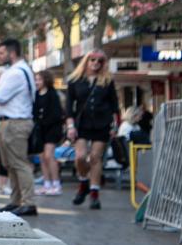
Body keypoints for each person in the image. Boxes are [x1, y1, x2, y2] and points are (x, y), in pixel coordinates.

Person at [66, 50, 119, 209]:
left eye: (100, 61)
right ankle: (83, 183)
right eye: (93, 60)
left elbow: (114, 106)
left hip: (102, 123)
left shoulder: (107, 81)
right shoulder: (75, 81)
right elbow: (69, 107)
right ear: (86, 61)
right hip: (82, 124)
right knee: (80, 157)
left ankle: (94, 194)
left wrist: (115, 125)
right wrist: (70, 126)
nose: (96, 63)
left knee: (95, 157)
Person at [0, 38, 37, 216]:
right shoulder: (16, 71)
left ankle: (28, 202)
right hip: (9, 122)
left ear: (12, 53)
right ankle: (16, 200)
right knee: (10, 164)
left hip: (15, 123)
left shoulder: (16, 72)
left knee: (19, 163)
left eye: (1, 53)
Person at [33, 70, 65, 196]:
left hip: (52, 128)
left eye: (39, 79)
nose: (37, 82)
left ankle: (56, 183)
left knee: (49, 155)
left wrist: (44, 121)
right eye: (36, 79)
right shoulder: (35, 94)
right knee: (41, 157)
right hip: (40, 129)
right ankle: (46, 183)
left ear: (45, 80)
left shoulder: (53, 94)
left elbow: (57, 113)